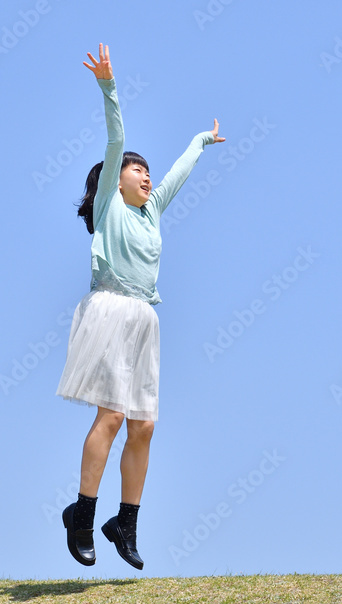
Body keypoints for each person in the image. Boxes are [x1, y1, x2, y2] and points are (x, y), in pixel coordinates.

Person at [57, 43, 224, 569]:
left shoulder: (151, 211)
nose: (147, 176)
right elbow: (116, 138)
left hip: (144, 319)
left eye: (147, 172)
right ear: (117, 179)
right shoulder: (111, 203)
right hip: (109, 310)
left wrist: (200, 141)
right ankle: (82, 516)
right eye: (137, 170)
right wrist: (108, 85)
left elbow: (178, 174)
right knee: (110, 416)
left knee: (144, 425)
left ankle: (124, 524)